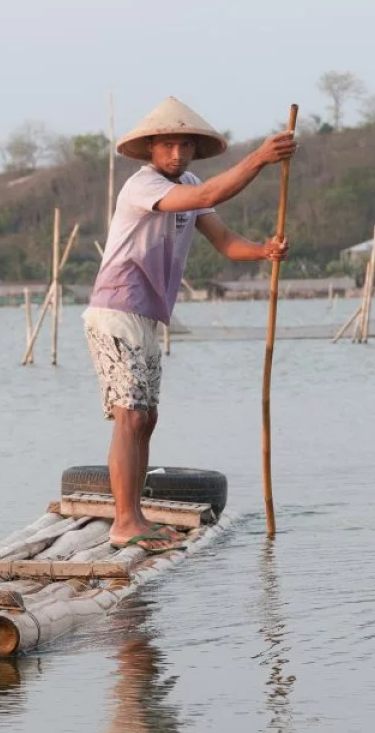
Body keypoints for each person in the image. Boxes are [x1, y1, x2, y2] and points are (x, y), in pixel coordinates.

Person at [85, 97, 295, 552]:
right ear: (151, 151)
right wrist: (260, 158)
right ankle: (124, 521)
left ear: (194, 151)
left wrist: (264, 250)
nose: (176, 155)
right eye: (167, 146)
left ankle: (134, 515)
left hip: (148, 314)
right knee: (130, 415)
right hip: (117, 308)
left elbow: (224, 240)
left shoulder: (193, 180)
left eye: (183, 146)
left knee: (147, 418)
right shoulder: (142, 186)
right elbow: (205, 197)